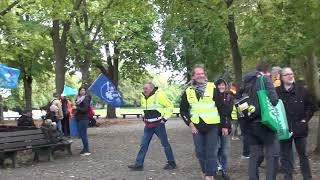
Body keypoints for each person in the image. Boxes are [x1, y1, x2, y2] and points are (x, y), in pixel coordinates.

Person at [180, 64, 228, 180]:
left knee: (211, 151)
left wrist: (224, 125)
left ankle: (209, 175)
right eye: (198, 74)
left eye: (202, 73)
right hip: (196, 126)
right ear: (193, 76)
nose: (201, 75)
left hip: (212, 125)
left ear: (205, 75)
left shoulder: (212, 88)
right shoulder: (188, 91)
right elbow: (183, 110)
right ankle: (207, 171)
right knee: (200, 152)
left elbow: (222, 108)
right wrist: (190, 124)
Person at [237, 61, 279, 180]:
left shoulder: (245, 82)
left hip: (250, 125)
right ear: (267, 71)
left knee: (254, 156)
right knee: (272, 155)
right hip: (265, 123)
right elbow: (274, 100)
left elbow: (238, 100)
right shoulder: (265, 80)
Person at [276, 67, 315, 180]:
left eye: (291, 74)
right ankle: (288, 177)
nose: (290, 76)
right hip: (284, 129)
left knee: (303, 155)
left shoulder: (302, 90)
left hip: (300, 128)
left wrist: (305, 120)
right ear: (282, 78)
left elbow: (311, 106)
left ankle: (307, 177)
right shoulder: (276, 92)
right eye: (287, 74)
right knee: (286, 156)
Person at [128, 82, 176, 171]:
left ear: (151, 89)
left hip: (159, 125)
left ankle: (171, 163)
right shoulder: (143, 96)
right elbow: (144, 108)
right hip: (148, 125)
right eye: (144, 88)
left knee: (165, 144)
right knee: (143, 145)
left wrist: (164, 119)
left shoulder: (160, 95)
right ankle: (139, 165)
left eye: (146, 88)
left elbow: (170, 106)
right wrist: (143, 116)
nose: (144, 90)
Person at [214, 79, 235, 180]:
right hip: (214, 127)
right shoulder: (213, 96)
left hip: (226, 126)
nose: (221, 87)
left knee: (225, 151)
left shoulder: (229, 96)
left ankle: (224, 170)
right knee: (216, 149)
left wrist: (225, 126)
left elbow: (227, 111)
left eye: (223, 85)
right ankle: (218, 168)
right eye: (219, 85)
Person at [73, 86, 91, 156]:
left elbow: (85, 109)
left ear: (85, 91)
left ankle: (86, 150)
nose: (82, 91)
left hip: (83, 119)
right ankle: (85, 148)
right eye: (81, 90)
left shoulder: (86, 99)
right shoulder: (79, 99)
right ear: (79, 91)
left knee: (83, 135)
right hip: (79, 118)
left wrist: (77, 107)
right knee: (82, 134)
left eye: (84, 90)